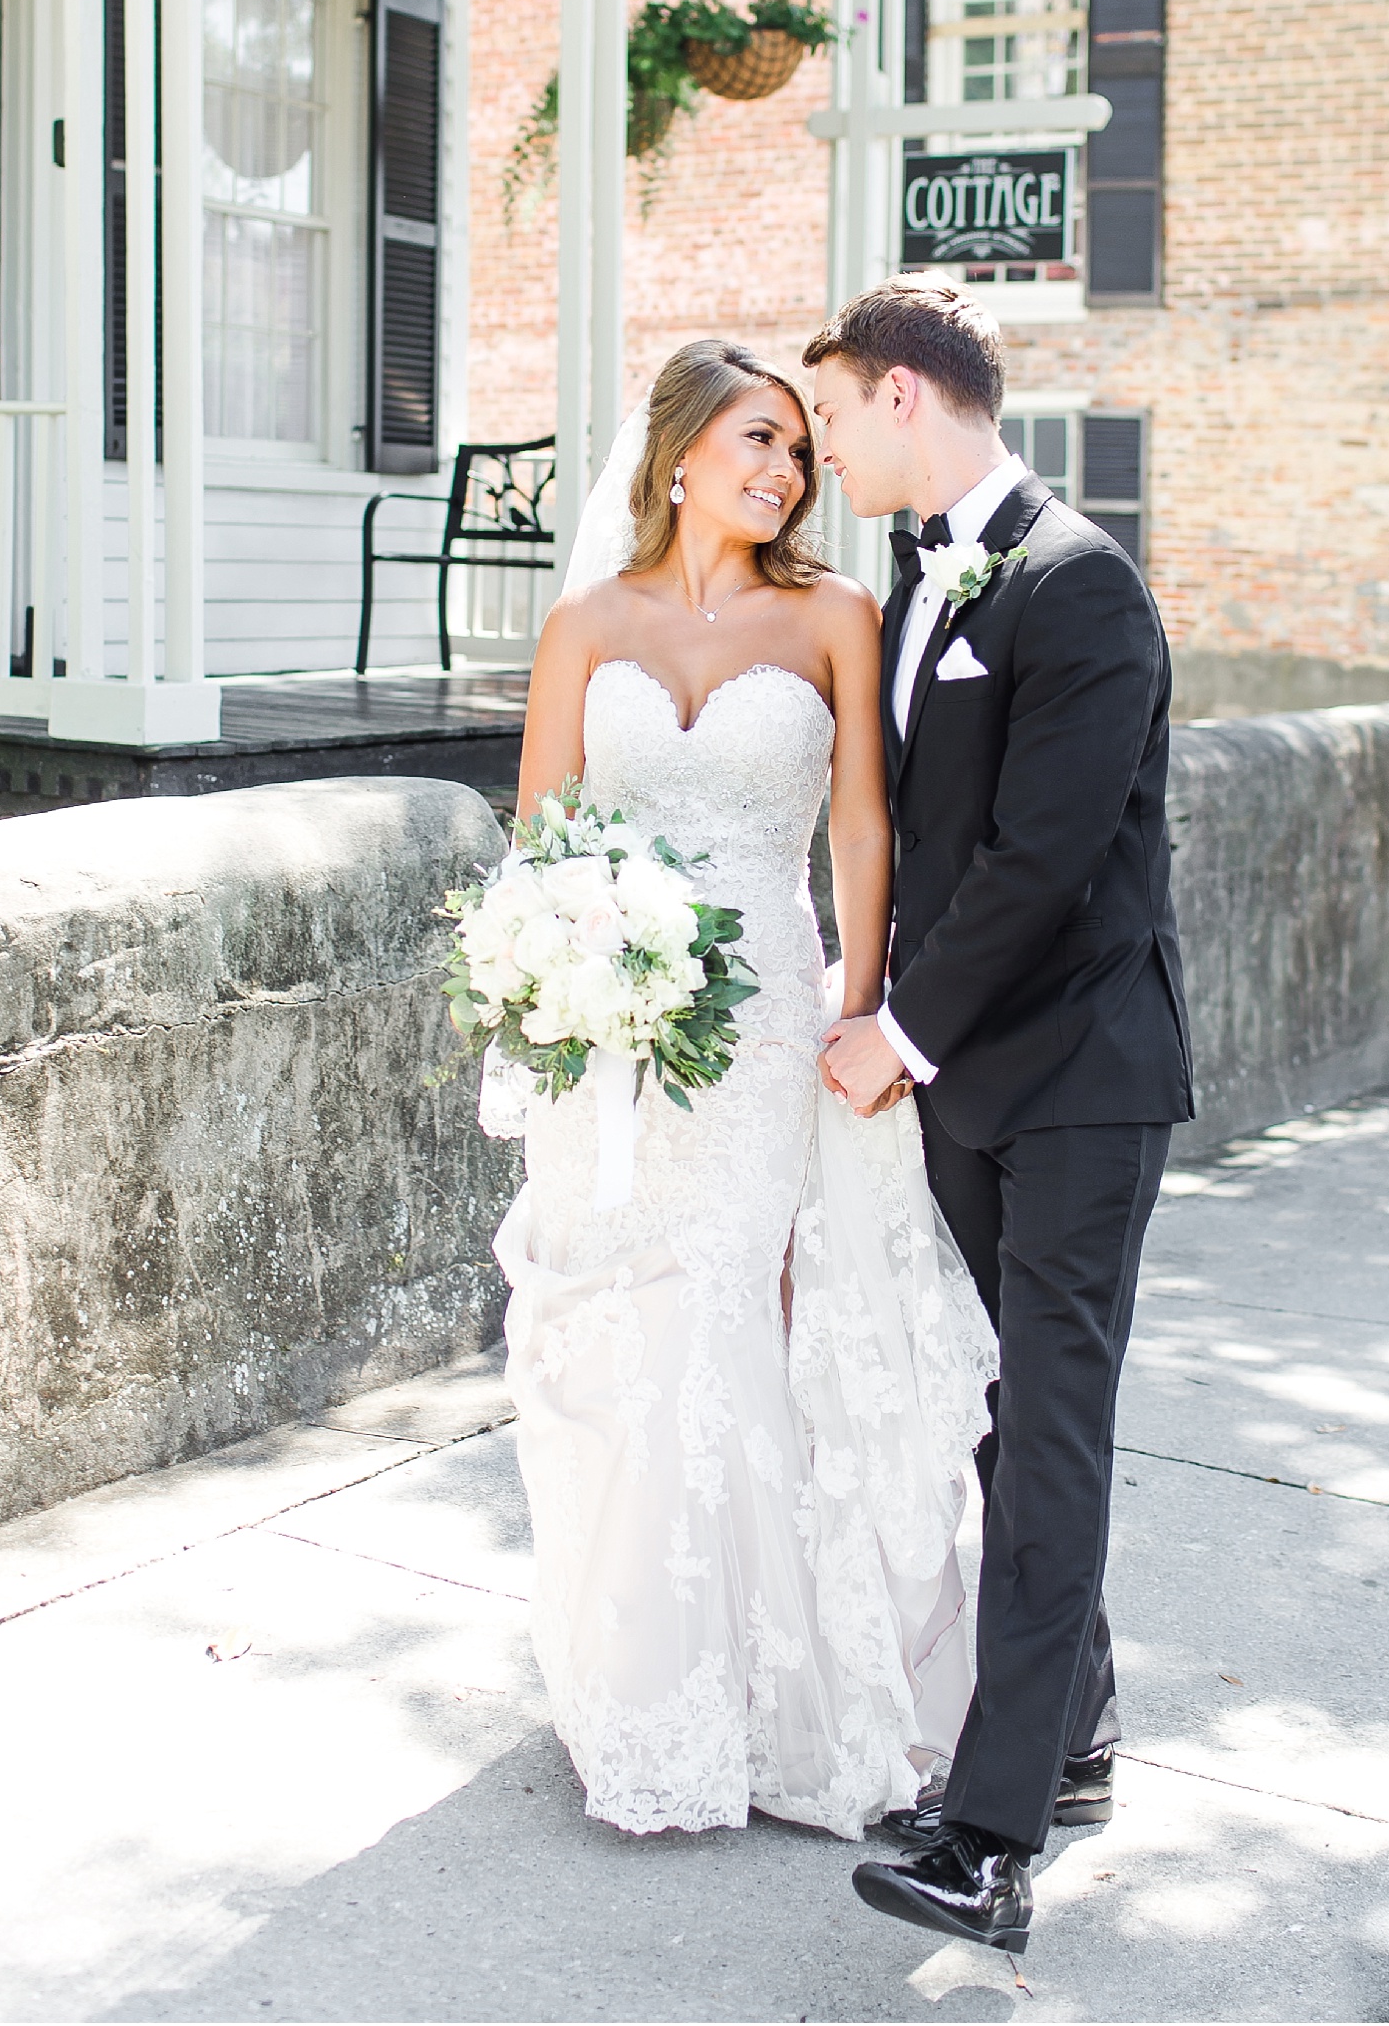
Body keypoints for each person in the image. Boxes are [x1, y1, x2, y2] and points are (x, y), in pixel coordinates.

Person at [491, 337, 997, 1845]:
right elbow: (542, 838)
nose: (784, 471)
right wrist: (568, 980)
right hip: (618, 1037)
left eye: (796, 445)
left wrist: (862, 1018)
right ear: (676, 452)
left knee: (748, 1318)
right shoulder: (586, 625)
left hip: (773, 1017)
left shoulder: (835, 611)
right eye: (756, 442)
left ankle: (789, 1697)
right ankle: (646, 1679)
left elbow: (861, 839)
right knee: (634, 1335)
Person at [805, 279, 1193, 1953]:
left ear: (904, 396)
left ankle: (992, 1834)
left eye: (828, 419)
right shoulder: (914, 574)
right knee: (999, 1418)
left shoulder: (1081, 583)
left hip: (1084, 1083)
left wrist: (900, 1029)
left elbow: (1047, 860)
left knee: (1046, 1434)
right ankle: (1077, 1736)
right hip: (972, 1090)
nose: (819, 451)